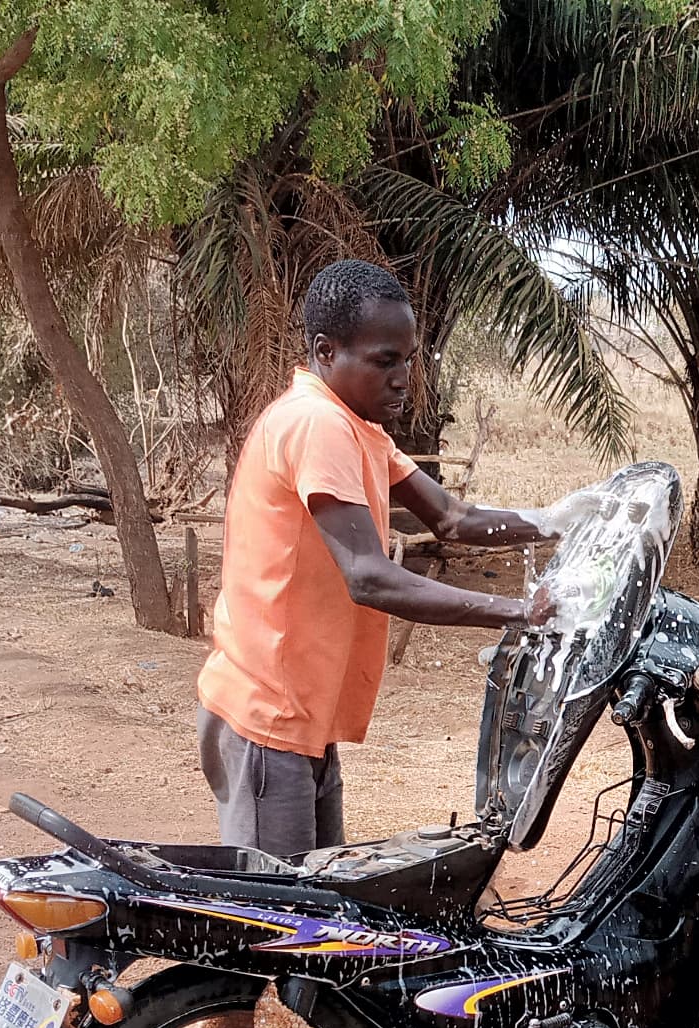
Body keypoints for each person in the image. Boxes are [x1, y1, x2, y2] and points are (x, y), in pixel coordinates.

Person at [196, 257, 559, 859]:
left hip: (298, 713)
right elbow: (368, 576)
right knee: (281, 908)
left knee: (320, 893)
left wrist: (563, 519)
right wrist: (518, 612)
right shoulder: (317, 424)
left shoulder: (357, 427)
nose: (403, 380)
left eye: (409, 360)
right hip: (267, 714)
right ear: (326, 351)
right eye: (385, 361)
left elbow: (452, 519)